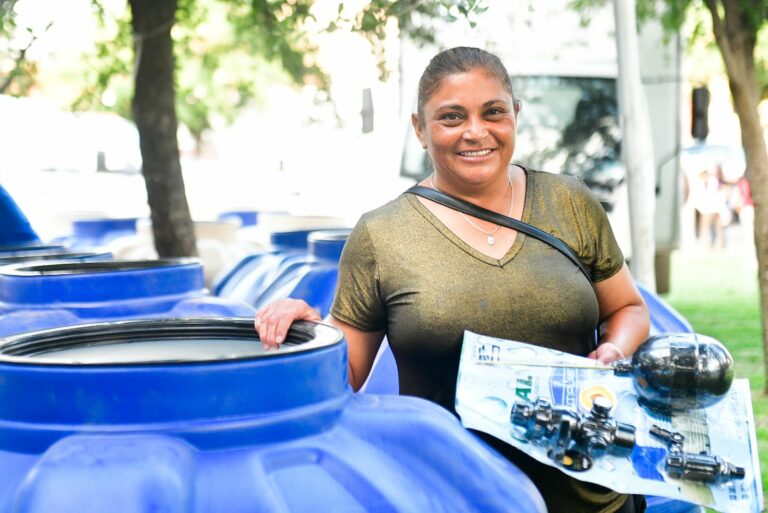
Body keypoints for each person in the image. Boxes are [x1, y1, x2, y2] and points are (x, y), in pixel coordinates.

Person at [255, 46, 650, 513]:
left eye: (494, 112)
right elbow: (348, 375)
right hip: (454, 497)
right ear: (420, 129)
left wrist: (616, 349)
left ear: (515, 116)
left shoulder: (570, 203)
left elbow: (628, 307)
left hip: (592, 497)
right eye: (451, 117)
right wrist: (305, 333)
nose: (476, 132)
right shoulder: (382, 235)